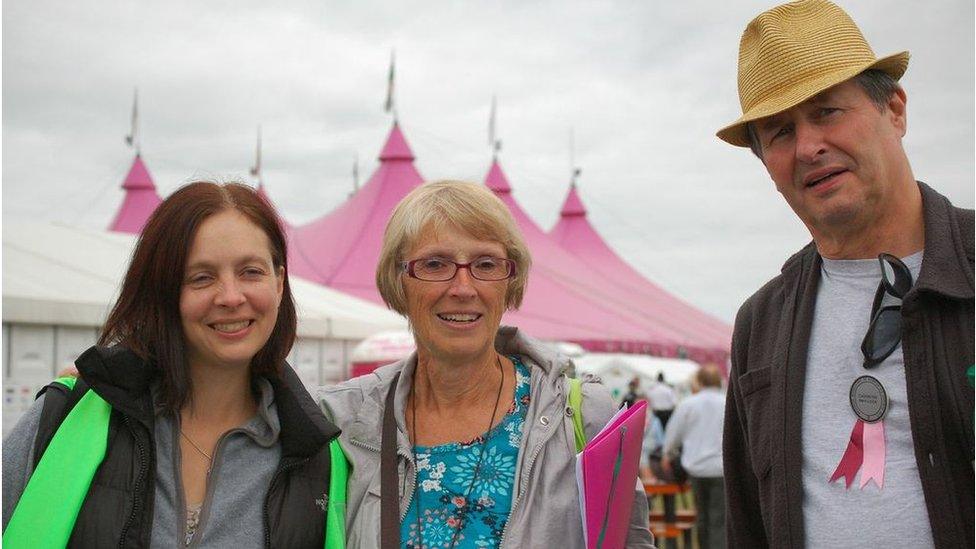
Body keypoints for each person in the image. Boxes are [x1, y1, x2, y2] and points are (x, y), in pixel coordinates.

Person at [717, 1, 974, 547]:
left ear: (896, 110)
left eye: (828, 111)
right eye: (780, 131)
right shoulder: (760, 323)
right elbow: (747, 523)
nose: (809, 146)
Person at [2, 182, 342, 547]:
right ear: (162, 291)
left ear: (279, 283)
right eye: (201, 277)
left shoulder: (318, 458)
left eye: (250, 272)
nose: (230, 296)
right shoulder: (63, 419)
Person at [319, 180, 654, 548]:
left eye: (486, 264)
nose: (463, 288)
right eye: (435, 264)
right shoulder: (343, 421)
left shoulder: (578, 415)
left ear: (511, 282)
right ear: (399, 282)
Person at [661, 366, 725, 549]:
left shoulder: (688, 404)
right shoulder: (726, 401)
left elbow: (673, 433)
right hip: (721, 468)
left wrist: (667, 453)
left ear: (700, 381)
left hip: (696, 468)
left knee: (702, 516)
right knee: (719, 519)